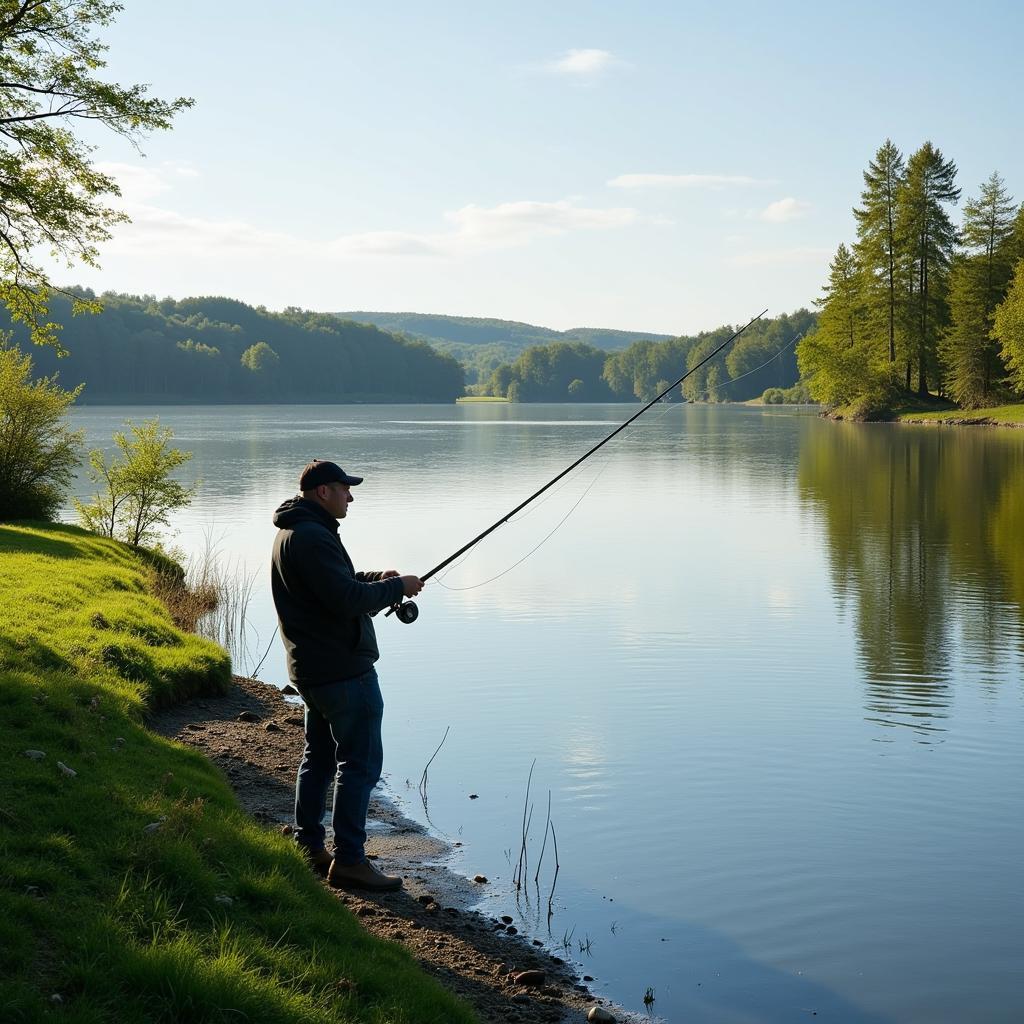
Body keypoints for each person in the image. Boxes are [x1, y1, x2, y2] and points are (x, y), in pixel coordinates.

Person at [270, 459, 423, 891]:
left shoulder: (295, 532)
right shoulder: (314, 537)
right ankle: (350, 861)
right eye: (344, 488)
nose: (350, 496)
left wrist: (378, 578)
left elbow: (335, 588)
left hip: (312, 670)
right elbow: (343, 599)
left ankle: (309, 846)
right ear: (323, 492)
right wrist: (398, 588)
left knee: (317, 759)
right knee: (359, 765)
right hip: (342, 672)